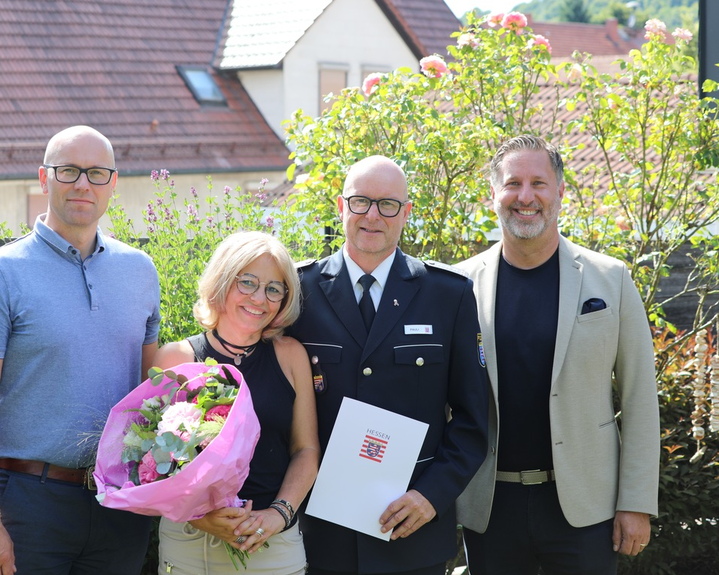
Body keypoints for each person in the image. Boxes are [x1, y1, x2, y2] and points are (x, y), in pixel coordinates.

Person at [0, 125, 161, 575]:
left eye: (96, 173)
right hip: (30, 503)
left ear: (113, 183)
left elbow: (153, 393)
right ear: (45, 179)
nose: (83, 184)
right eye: (68, 171)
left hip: (120, 504)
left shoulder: (140, 271)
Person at [455, 135, 660, 574]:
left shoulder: (611, 281)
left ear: (561, 192)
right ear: (493, 194)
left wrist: (637, 502)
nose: (525, 197)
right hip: (491, 508)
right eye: (512, 184)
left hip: (586, 508)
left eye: (538, 183)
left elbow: (641, 398)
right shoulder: (458, 287)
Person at [288, 155, 490, 575]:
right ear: (341, 207)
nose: (373, 215)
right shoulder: (297, 292)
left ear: (406, 213)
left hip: (410, 532)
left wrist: (431, 496)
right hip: (319, 534)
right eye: (361, 202)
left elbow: (472, 422)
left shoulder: (447, 295)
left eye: (388, 205)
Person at [152, 230, 320, 575]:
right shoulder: (175, 359)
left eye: (274, 288)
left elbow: (306, 450)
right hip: (190, 541)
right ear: (222, 282)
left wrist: (279, 514)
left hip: (274, 543)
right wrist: (200, 516)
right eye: (247, 282)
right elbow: (152, 463)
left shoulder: (291, 357)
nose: (259, 298)